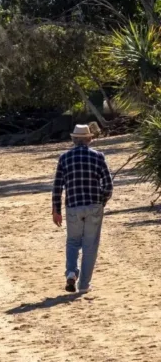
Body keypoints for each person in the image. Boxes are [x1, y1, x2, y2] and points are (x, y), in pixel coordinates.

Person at [52, 124, 113, 294]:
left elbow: (58, 187)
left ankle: (71, 272)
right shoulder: (98, 157)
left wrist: (56, 210)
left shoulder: (64, 158)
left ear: (73, 139)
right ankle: (84, 285)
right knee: (90, 246)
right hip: (94, 205)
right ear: (89, 139)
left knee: (73, 242)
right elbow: (108, 185)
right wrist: (102, 201)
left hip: (73, 206)